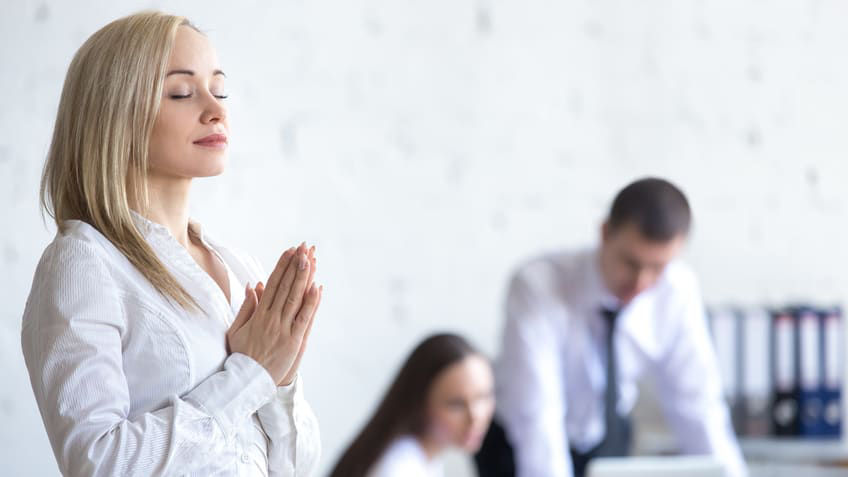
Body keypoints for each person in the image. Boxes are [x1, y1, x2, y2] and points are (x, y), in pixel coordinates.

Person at [21, 11, 322, 476]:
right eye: (182, 92)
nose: (216, 108)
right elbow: (96, 464)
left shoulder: (239, 269)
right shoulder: (85, 262)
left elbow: (293, 467)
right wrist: (251, 372)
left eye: (218, 89)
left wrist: (279, 379)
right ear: (115, 111)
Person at [475, 178, 747, 477]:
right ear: (605, 233)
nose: (641, 282)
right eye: (630, 263)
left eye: (657, 268)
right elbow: (537, 416)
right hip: (518, 446)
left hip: (605, 440)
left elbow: (698, 407)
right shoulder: (538, 285)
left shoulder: (677, 290)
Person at [330, 333, 496, 477]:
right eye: (456, 404)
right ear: (420, 402)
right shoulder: (398, 468)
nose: (475, 416)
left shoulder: (424, 458)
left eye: (483, 397)